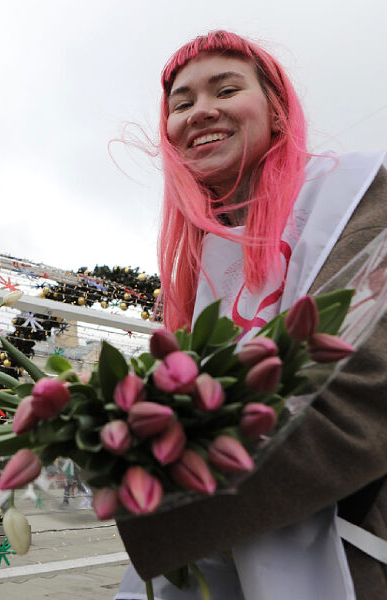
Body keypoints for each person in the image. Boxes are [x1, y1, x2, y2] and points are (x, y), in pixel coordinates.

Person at [115, 31, 387, 600]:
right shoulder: (194, 259)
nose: (200, 112)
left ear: (276, 108)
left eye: (227, 88)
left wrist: (145, 472)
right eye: (181, 103)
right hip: (209, 553)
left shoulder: (358, 191)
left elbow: (365, 387)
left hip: (345, 541)